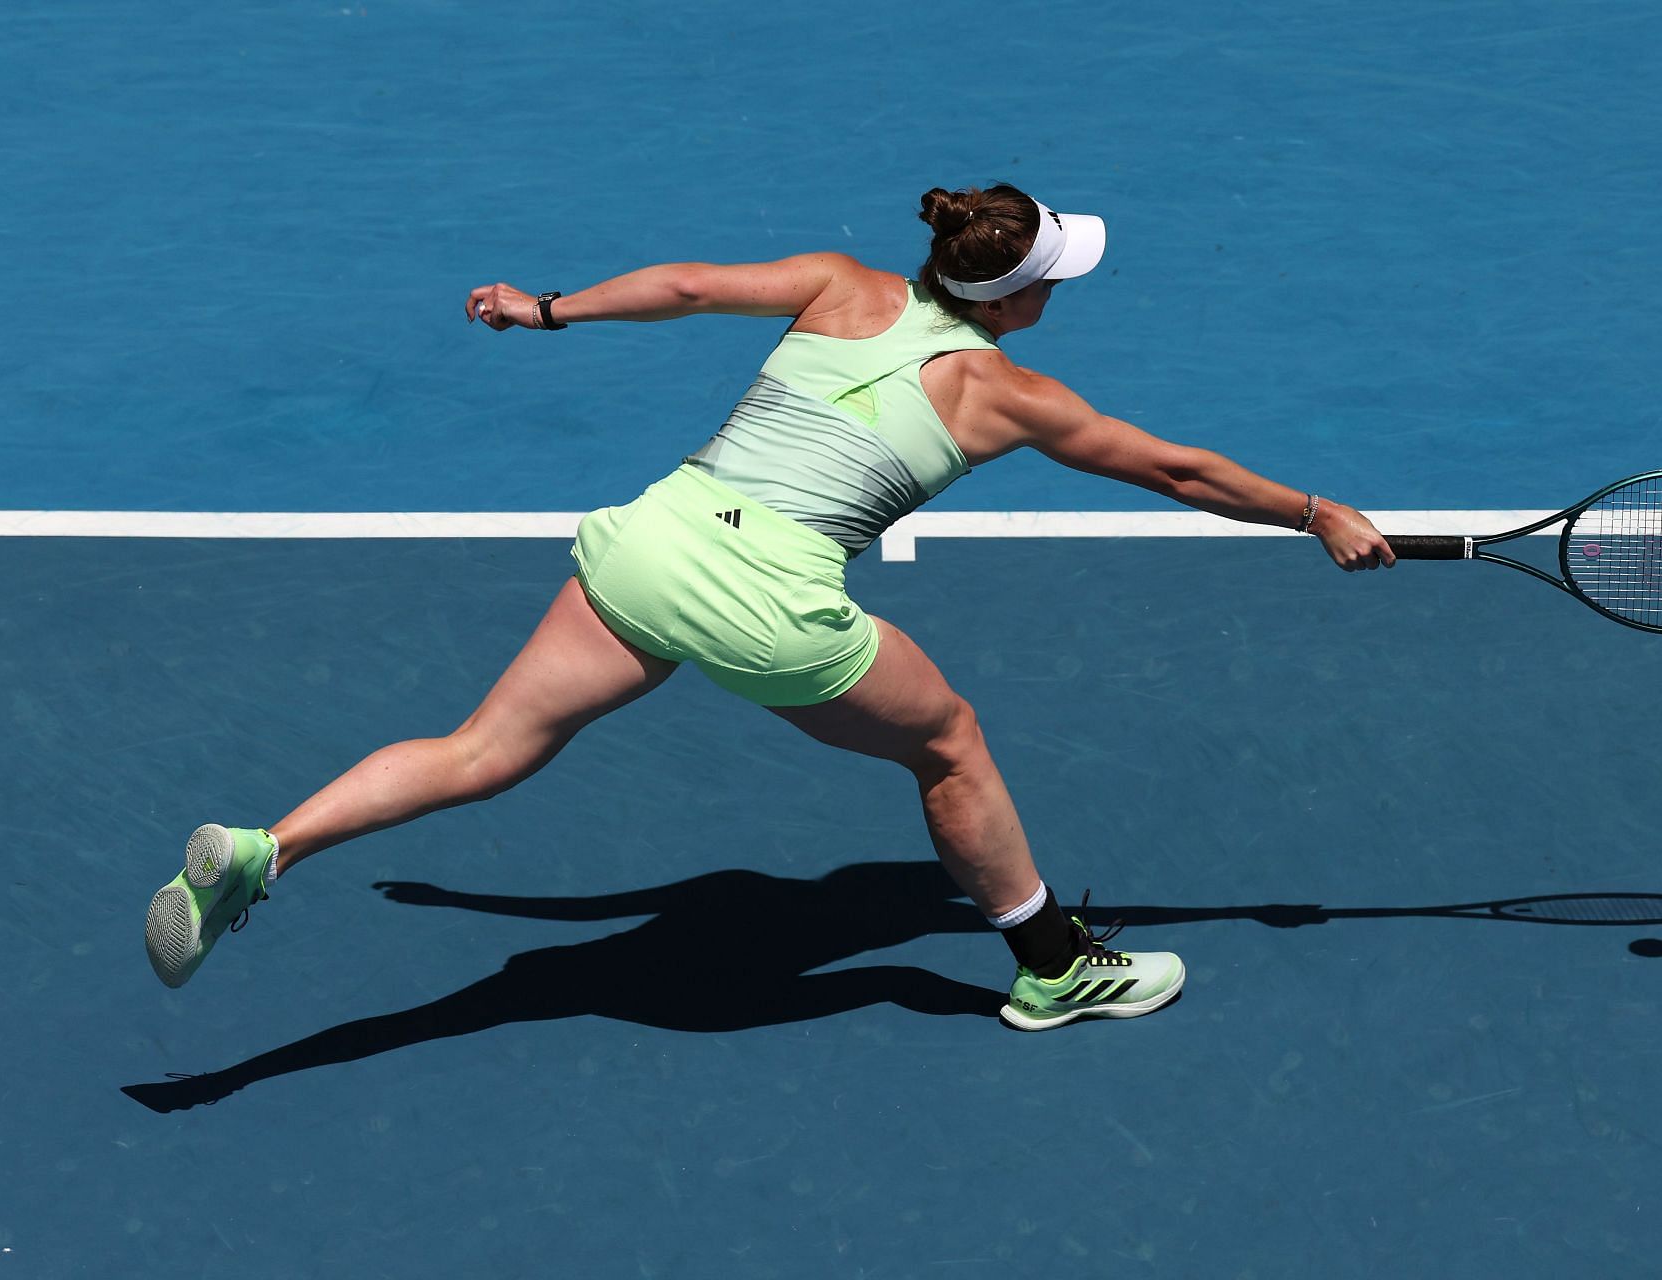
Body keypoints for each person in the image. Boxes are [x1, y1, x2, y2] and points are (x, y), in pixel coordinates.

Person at [143, 183, 1396, 1031]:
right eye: (1051, 274)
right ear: (1012, 297)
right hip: (766, 595)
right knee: (948, 736)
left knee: (483, 748)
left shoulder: (838, 283)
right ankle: (1055, 968)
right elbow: (1177, 469)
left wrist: (547, 309)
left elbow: (686, 284)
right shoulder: (1012, 394)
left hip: (654, 538)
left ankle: (265, 849)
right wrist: (1316, 510)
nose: (1060, 287)